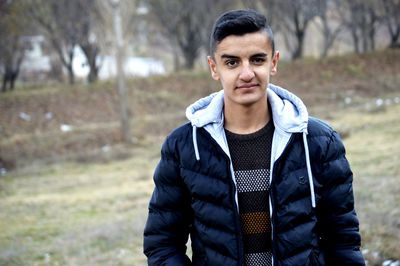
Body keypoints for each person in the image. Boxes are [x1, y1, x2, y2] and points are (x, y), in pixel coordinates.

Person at [143, 9, 365, 266]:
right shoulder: (183, 148)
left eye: (257, 60)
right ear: (214, 68)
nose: (246, 73)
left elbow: (343, 240)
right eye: (232, 62)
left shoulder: (318, 142)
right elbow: (162, 244)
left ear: (274, 62)